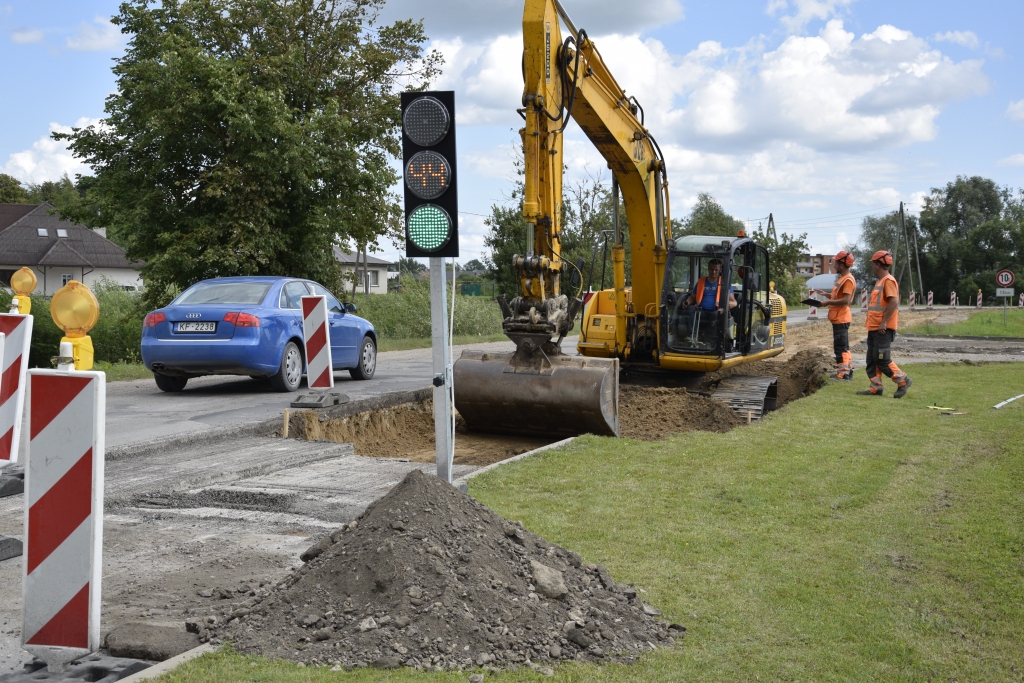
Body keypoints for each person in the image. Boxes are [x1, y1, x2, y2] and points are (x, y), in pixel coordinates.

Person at [857, 250, 912, 398]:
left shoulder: (888, 281)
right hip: (874, 327)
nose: (872, 268)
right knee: (872, 359)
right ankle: (876, 387)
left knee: (882, 359)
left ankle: (903, 380)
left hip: (883, 328)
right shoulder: (880, 282)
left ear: (878, 264)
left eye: (873, 264)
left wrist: (884, 322)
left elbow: (894, 302)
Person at [820, 250, 857, 380]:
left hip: (841, 318)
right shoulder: (843, 279)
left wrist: (828, 302)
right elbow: (839, 297)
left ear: (842, 265)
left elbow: (846, 300)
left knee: (840, 348)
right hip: (839, 318)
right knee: (843, 347)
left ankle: (843, 374)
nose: (834, 265)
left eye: (836, 262)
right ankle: (847, 371)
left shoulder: (847, 280)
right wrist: (827, 295)